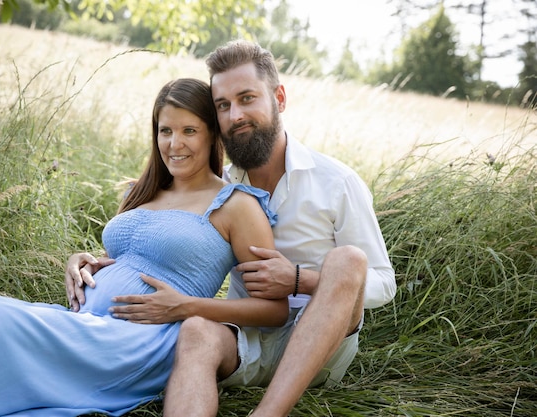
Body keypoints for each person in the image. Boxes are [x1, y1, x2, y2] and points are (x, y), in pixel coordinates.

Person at [0, 78, 289, 417]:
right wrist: (82, 260)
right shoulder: (142, 192)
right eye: (165, 131)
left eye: (189, 130)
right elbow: (128, 258)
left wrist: (187, 307)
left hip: (135, 343)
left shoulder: (236, 204)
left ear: (212, 135)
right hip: (86, 324)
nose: (175, 144)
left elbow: (273, 310)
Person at [65, 40, 396, 417]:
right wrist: (94, 263)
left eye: (247, 98)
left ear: (279, 98)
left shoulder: (336, 182)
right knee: (195, 331)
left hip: (323, 339)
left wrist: (300, 280)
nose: (235, 115)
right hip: (249, 334)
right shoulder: (221, 186)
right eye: (223, 105)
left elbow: (383, 282)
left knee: (348, 259)